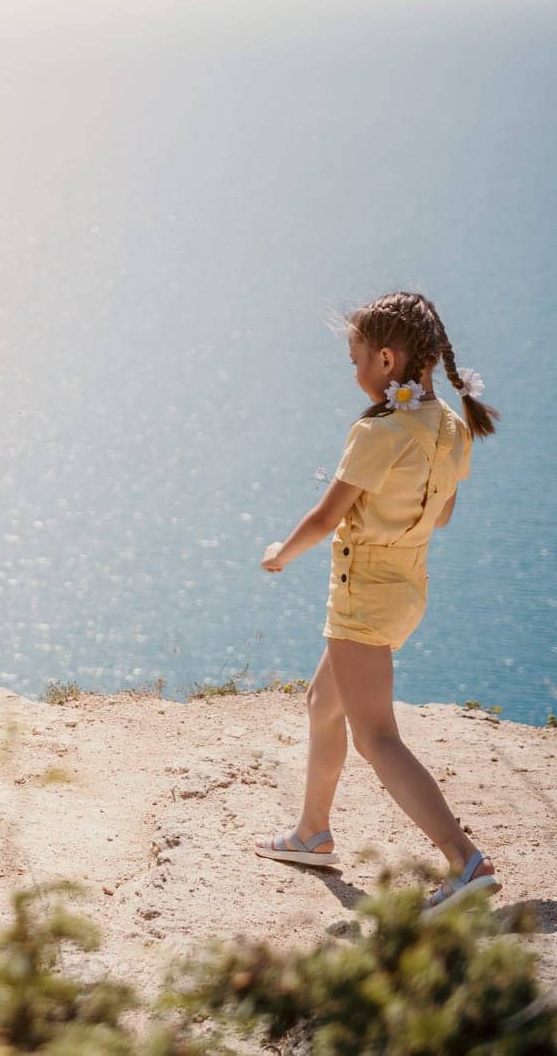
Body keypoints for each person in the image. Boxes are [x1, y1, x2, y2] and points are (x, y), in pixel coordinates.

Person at [253, 291, 502, 916]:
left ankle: (464, 861)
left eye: (356, 356)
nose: (354, 370)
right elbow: (440, 515)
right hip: (406, 590)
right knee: (322, 701)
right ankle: (313, 832)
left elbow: (326, 515)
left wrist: (281, 552)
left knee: (377, 735)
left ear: (387, 360)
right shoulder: (450, 425)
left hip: (362, 595)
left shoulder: (380, 431)